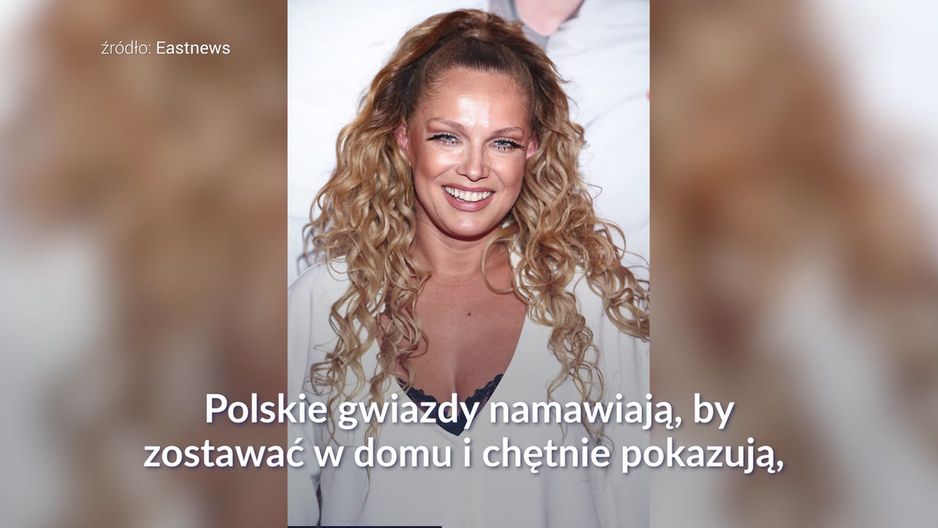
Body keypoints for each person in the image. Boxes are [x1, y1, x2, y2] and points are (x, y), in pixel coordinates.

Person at [288, 9, 649, 527]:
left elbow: (638, 501)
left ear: (531, 150)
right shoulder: (319, 305)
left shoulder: (596, 305)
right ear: (404, 138)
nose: (475, 169)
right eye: (447, 137)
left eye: (502, 142)